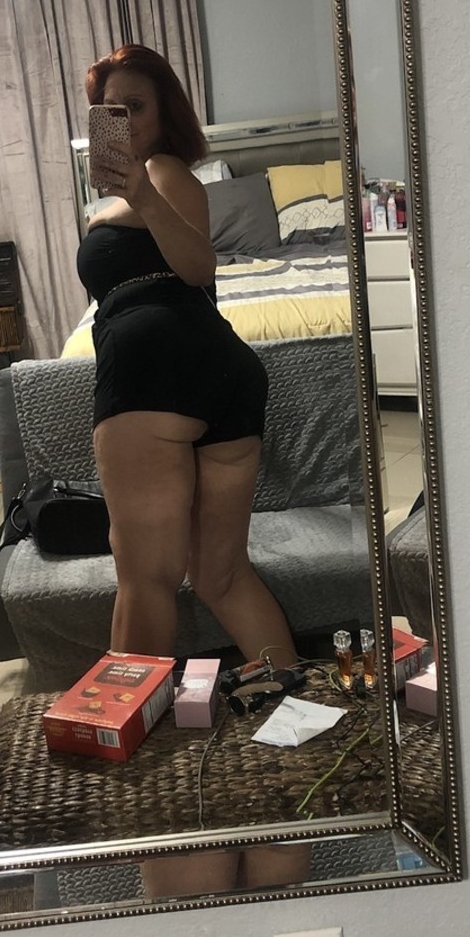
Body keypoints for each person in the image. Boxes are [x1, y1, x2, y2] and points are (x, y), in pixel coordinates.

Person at [79, 44, 299, 673]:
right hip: (223, 372)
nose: (124, 120)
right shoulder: (138, 189)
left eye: (136, 106)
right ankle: (296, 699)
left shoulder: (165, 172)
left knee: (146, 578)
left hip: (153, 365)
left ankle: (127, 727)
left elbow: (200, 265)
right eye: (110, 110)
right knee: (220, 575)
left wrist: (142, 199)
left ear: (164, 112)